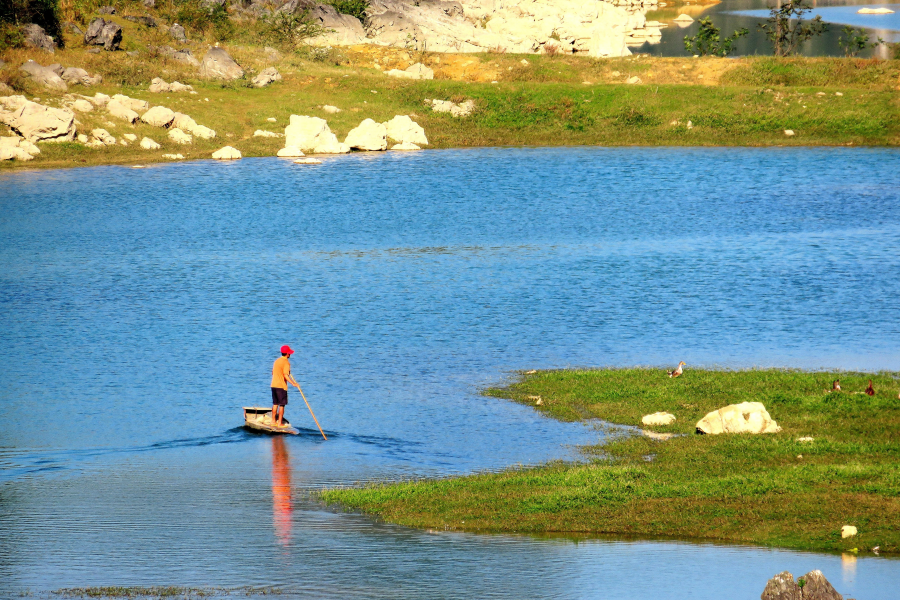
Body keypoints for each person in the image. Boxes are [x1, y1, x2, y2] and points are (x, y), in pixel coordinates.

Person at [271, 345, 301, 427]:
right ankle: (280, 423)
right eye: (289, 353)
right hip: (281, 386)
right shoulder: (286, 362)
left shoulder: (276, 361)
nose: (290, 354)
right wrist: (293, 383)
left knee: (275, 403)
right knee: (282, 405)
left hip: (273, 385)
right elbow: (285, 375)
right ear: (287, 354)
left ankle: (273, 421)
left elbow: (273, 372)